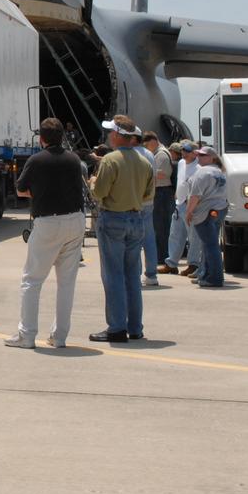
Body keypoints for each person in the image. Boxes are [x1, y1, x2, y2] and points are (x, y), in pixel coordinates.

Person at [5, 118, 87, 349]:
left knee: (32, 280)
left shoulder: (36, 160)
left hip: (49, 222)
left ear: (41, 138)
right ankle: (59, 336)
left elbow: (21, 190)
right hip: (75, 220)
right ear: (62, 136)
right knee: (66, 282)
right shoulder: (74, 159)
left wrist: (39, 193)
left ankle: (27, 335)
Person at [88, 115, 155, 343]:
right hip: (136, 219)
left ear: (118, 135)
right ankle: (135, 327)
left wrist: (92, 183)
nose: (108, 135)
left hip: (113, 218)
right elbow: (148, 194)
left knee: (113, 274)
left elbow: (100, 193)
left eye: (111, 132)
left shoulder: (110, 160)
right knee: (132, 275)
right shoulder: (145, 162)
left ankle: (116, 327)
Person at [185, 146, 229, 288]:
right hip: (219, 209)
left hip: (206, 211)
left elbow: (195, 195)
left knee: (210, 245)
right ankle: (205, 273)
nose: (199, 157)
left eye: (203, 155)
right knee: (210, 244)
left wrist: (189, 212)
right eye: (198, 155)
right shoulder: (219, 172)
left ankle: (214, 278)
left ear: (212, 158)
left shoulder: (203, 172)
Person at [129, 132, 160, 287]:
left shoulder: (130, 153)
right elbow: (154, 178)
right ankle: (152, 274)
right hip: (148, 201)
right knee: (149, 238)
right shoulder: (149, 154)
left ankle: (136, 274)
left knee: (133, 240)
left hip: (133, 202)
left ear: (133, 138)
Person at [164, 142, 200, 274]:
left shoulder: (199, 166)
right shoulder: (181, 163)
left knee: (193, 237)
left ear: (195, 152)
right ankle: (172, 263)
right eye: (183, 150)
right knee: (175, 234)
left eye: (187, 150)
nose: (184, 153)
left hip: (192, 205)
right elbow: (181, 180)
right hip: (180, 203)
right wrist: (177, 194)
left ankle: (193, 264)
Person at [146, 132, 174, 270]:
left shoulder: (161, 154)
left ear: (153, 141)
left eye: (147, 143)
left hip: (162, 192)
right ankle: (162, 254)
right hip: (160, 192)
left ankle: (162, 255)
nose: (146, 147)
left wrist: (147, 174)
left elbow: (163, 173)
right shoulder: (157, 153)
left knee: (161, 226)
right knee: (160, 225)